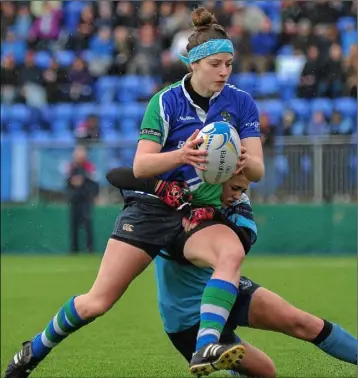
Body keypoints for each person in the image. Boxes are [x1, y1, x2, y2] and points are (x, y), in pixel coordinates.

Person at [4, 6, 263, 378]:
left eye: (229, 64)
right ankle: (34, 350)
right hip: (152, 208)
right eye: (216, 64)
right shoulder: (165, 101)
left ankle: (207, 343)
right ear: (194, 64)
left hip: (197, 213)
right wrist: (182, 154)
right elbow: (140, 167)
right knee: (97, 302)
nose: (224, 71)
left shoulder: (240, 102)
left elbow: (258, 169)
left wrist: (241, 161)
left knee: (230, 253)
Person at [106, 169, 357, 377]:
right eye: (235, 188)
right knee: (265, 371)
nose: (238, 196)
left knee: (303, 323)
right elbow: (116, 175)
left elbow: (243, 240)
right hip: (186, 317)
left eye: (244, 190)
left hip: (227, 288)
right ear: (216, 178)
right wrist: (161, 187)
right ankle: (215, 351)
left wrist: (213, 214)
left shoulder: (237, 205)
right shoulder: (180, 189)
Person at [66, 145, 98, 254]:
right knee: (74, 225)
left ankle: (90, 248)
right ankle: (74, 249)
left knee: (87, 224)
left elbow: (94, 183)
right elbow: (67, 183)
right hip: (74, 200)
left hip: (86, 200)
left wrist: (83, 181)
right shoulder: (71, 168)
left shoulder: (89, 167)